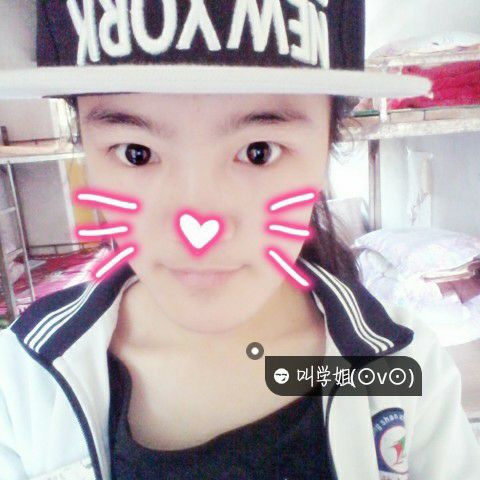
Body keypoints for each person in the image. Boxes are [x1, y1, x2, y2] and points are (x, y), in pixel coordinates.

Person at [0, 1, 479, 479]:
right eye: (136, 153)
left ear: (326, 151)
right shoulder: (22, 384)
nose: (197, 224)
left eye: (258, 152)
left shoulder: (396, 366)